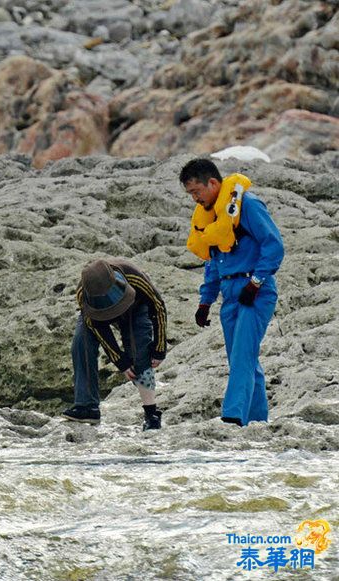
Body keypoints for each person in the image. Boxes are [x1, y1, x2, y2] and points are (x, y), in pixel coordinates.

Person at [181, 158, 284, 426]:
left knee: (241, 357)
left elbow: (274, 245)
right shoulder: (214, 217)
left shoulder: (247, 206)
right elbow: (213, 262)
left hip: (255, 293)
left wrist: (257, 282)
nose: (194, 199)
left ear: (212, 183)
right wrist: (205, 302)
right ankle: (258, 421)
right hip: (230, 295)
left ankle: (232, 419)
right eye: (190, 194)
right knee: (243, 357)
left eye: (196, 192)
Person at [62, 259, 168, 430]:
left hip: (135, 308)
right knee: (81, 343)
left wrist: (160, 347)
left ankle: (151, 414)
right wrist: (120, 361)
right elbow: (97, 328)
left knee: (139, 353)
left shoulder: (134, 276)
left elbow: (158, 306)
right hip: (96, 314)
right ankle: (87, 406)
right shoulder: (84, 294)